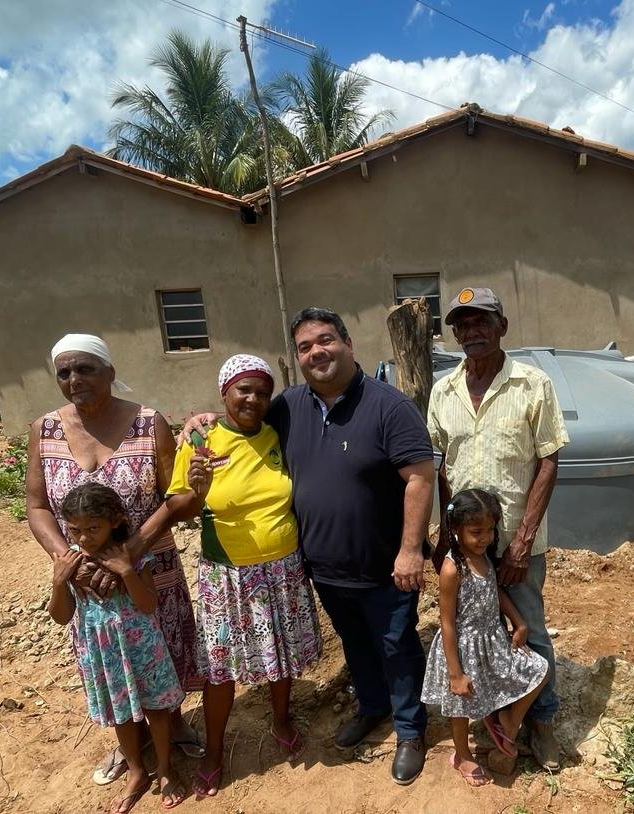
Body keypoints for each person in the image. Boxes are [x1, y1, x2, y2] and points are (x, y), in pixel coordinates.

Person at [184, 308, 435, 785]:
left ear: (347, 344)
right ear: (297, 358)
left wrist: (410, 550)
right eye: (304, 347)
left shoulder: (388, 405)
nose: (316, 351)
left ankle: (409, 730)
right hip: (323, 565)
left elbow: (420, 477)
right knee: (357, 643)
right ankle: (372, 707)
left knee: (395, 644)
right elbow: (246, 416)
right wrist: (204, 418)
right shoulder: (289, 406)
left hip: (384, 564)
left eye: (325, 340)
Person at [26, 333, 202, 786]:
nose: (73, 379)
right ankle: (131, 745)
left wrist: (133, 549)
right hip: (84, 579)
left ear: (110, 372)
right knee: (112, 657)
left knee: (161, 646)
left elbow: (178, 494)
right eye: (63, 371)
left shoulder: (147, 422)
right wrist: (67, 558)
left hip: (149, 563)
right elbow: (37, 505)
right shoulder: (44, 429)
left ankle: (174, 723)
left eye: (84, 368)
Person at [165, 354, 322, 799]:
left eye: (261, 391)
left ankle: (281, 720)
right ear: (225, 393)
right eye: (243, 390)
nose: (253, 398)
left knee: (283, 654)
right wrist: (195, 488)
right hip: (228, 577)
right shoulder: (201, 440)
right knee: (220, 669)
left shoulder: (276, 434)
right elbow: (183, 509)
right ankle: (214, 750)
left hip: (284, 570)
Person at [428, 288, 568, 771]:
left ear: (502, 326)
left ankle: (542, 721)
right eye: (463, 325)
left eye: (482, 322)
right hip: (465, 541)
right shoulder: (443, 390)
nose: (472, 332)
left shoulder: (532, 384)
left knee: (530, 629)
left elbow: (549, 460)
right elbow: (441, 465)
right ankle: (491, 711)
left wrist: (522, 540)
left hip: (514, 538)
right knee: (476, 629)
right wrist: (445, 532)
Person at [48, 482, 187, 813]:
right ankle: (137, 771)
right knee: (120, 712)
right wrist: (58, 581)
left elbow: (148, 604)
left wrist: (126, 571)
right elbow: (61, 616)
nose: (83, 538)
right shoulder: (70, 563)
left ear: (115, 520)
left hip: (142, 646)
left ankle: (165, 767)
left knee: (156, 707)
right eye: (75, 530)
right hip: (102, 651)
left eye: (93, 528)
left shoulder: (134, 556)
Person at [421, 489, 548, 787]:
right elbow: (447, 622)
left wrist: (519, 622)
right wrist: (455, 673)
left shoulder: (485, 557)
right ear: (455, 529)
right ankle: (462, 755)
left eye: (490, 530)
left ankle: (508, 721)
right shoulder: (453, 568)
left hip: (492, 641)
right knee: (460, 706)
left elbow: (495, 590)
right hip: (463, 648)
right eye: (476, 532)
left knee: (539, 669)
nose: (485, 538)